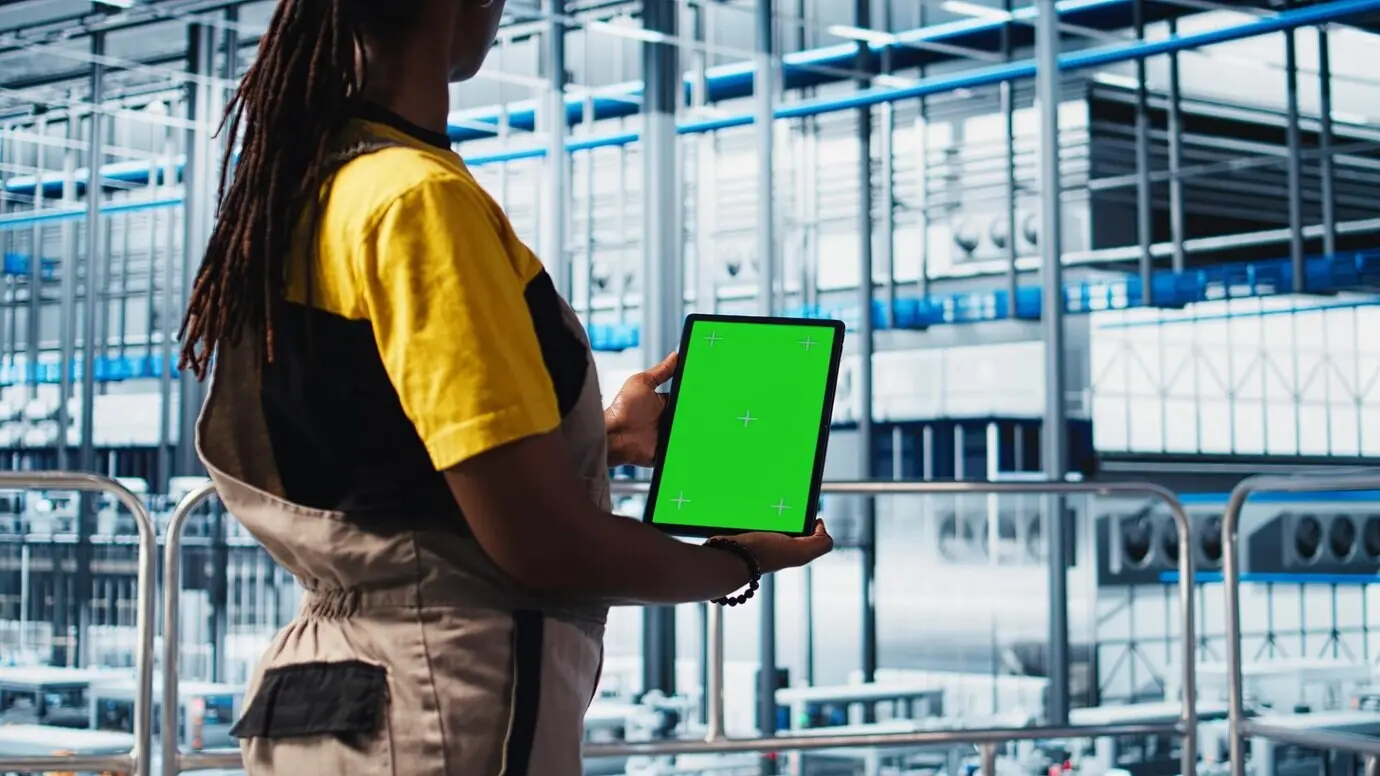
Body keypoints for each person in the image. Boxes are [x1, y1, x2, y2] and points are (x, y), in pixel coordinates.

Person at [175, 0, 835, 773]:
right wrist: (739, 563)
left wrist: (599, 440)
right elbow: (545, 545)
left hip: (334, 696)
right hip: (437, 698)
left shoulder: (317, 190)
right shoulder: (419, 202)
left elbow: (378, 461)